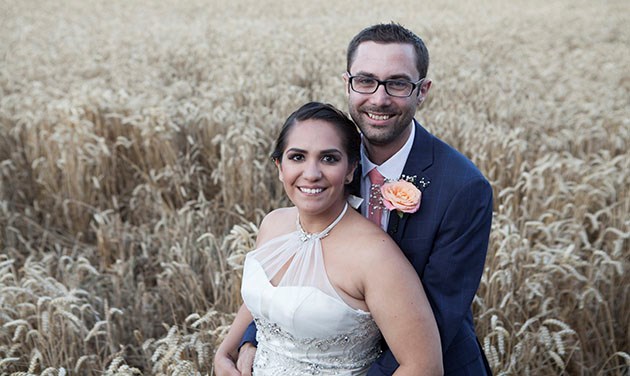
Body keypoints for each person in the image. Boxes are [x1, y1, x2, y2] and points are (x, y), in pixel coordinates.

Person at [232, 22, 494, 375]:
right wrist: (256, 338)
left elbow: (437, 319)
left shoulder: (462, 188)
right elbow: (293, 265)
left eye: (398, 83)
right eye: (366, 81)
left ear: (422, 91)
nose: (379, 99)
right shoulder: (330, 156)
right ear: (348, 84)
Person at [213, 102, 443, 375]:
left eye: (329, 158)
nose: (311, 174)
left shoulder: (375, 256)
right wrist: (225, 351)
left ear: (350, 169)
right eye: (297, 157)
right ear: (279, 166)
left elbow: (424, 366)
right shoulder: (273, 223)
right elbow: (264, 300)